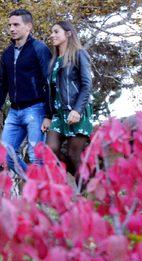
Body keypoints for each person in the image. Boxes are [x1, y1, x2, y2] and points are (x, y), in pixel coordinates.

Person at [0, 9, 53, 175]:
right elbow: (2, 84)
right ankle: (34, 187)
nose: (12, 28)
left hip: (36, 109)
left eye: (16, 24)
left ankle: (42, 196)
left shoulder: (39, 49)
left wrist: (48, 114)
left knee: (36, 157)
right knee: (7, 155)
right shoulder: (7, 54)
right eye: (10, 25)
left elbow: (49, 82)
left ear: (28, 27)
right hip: (14, 112)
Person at [42, 21, 93, 177]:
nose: (52, 35)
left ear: (68, 33)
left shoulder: (79, 54)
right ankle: (73, 184)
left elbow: (87, 85)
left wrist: (77, 110)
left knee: (74, 155)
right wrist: (48, 116)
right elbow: (51, 92)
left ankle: (85, 194)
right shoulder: (53, 62)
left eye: (56, 32)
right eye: (52, 32)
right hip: (58, 115)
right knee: (50, 150)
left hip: (77, 111)